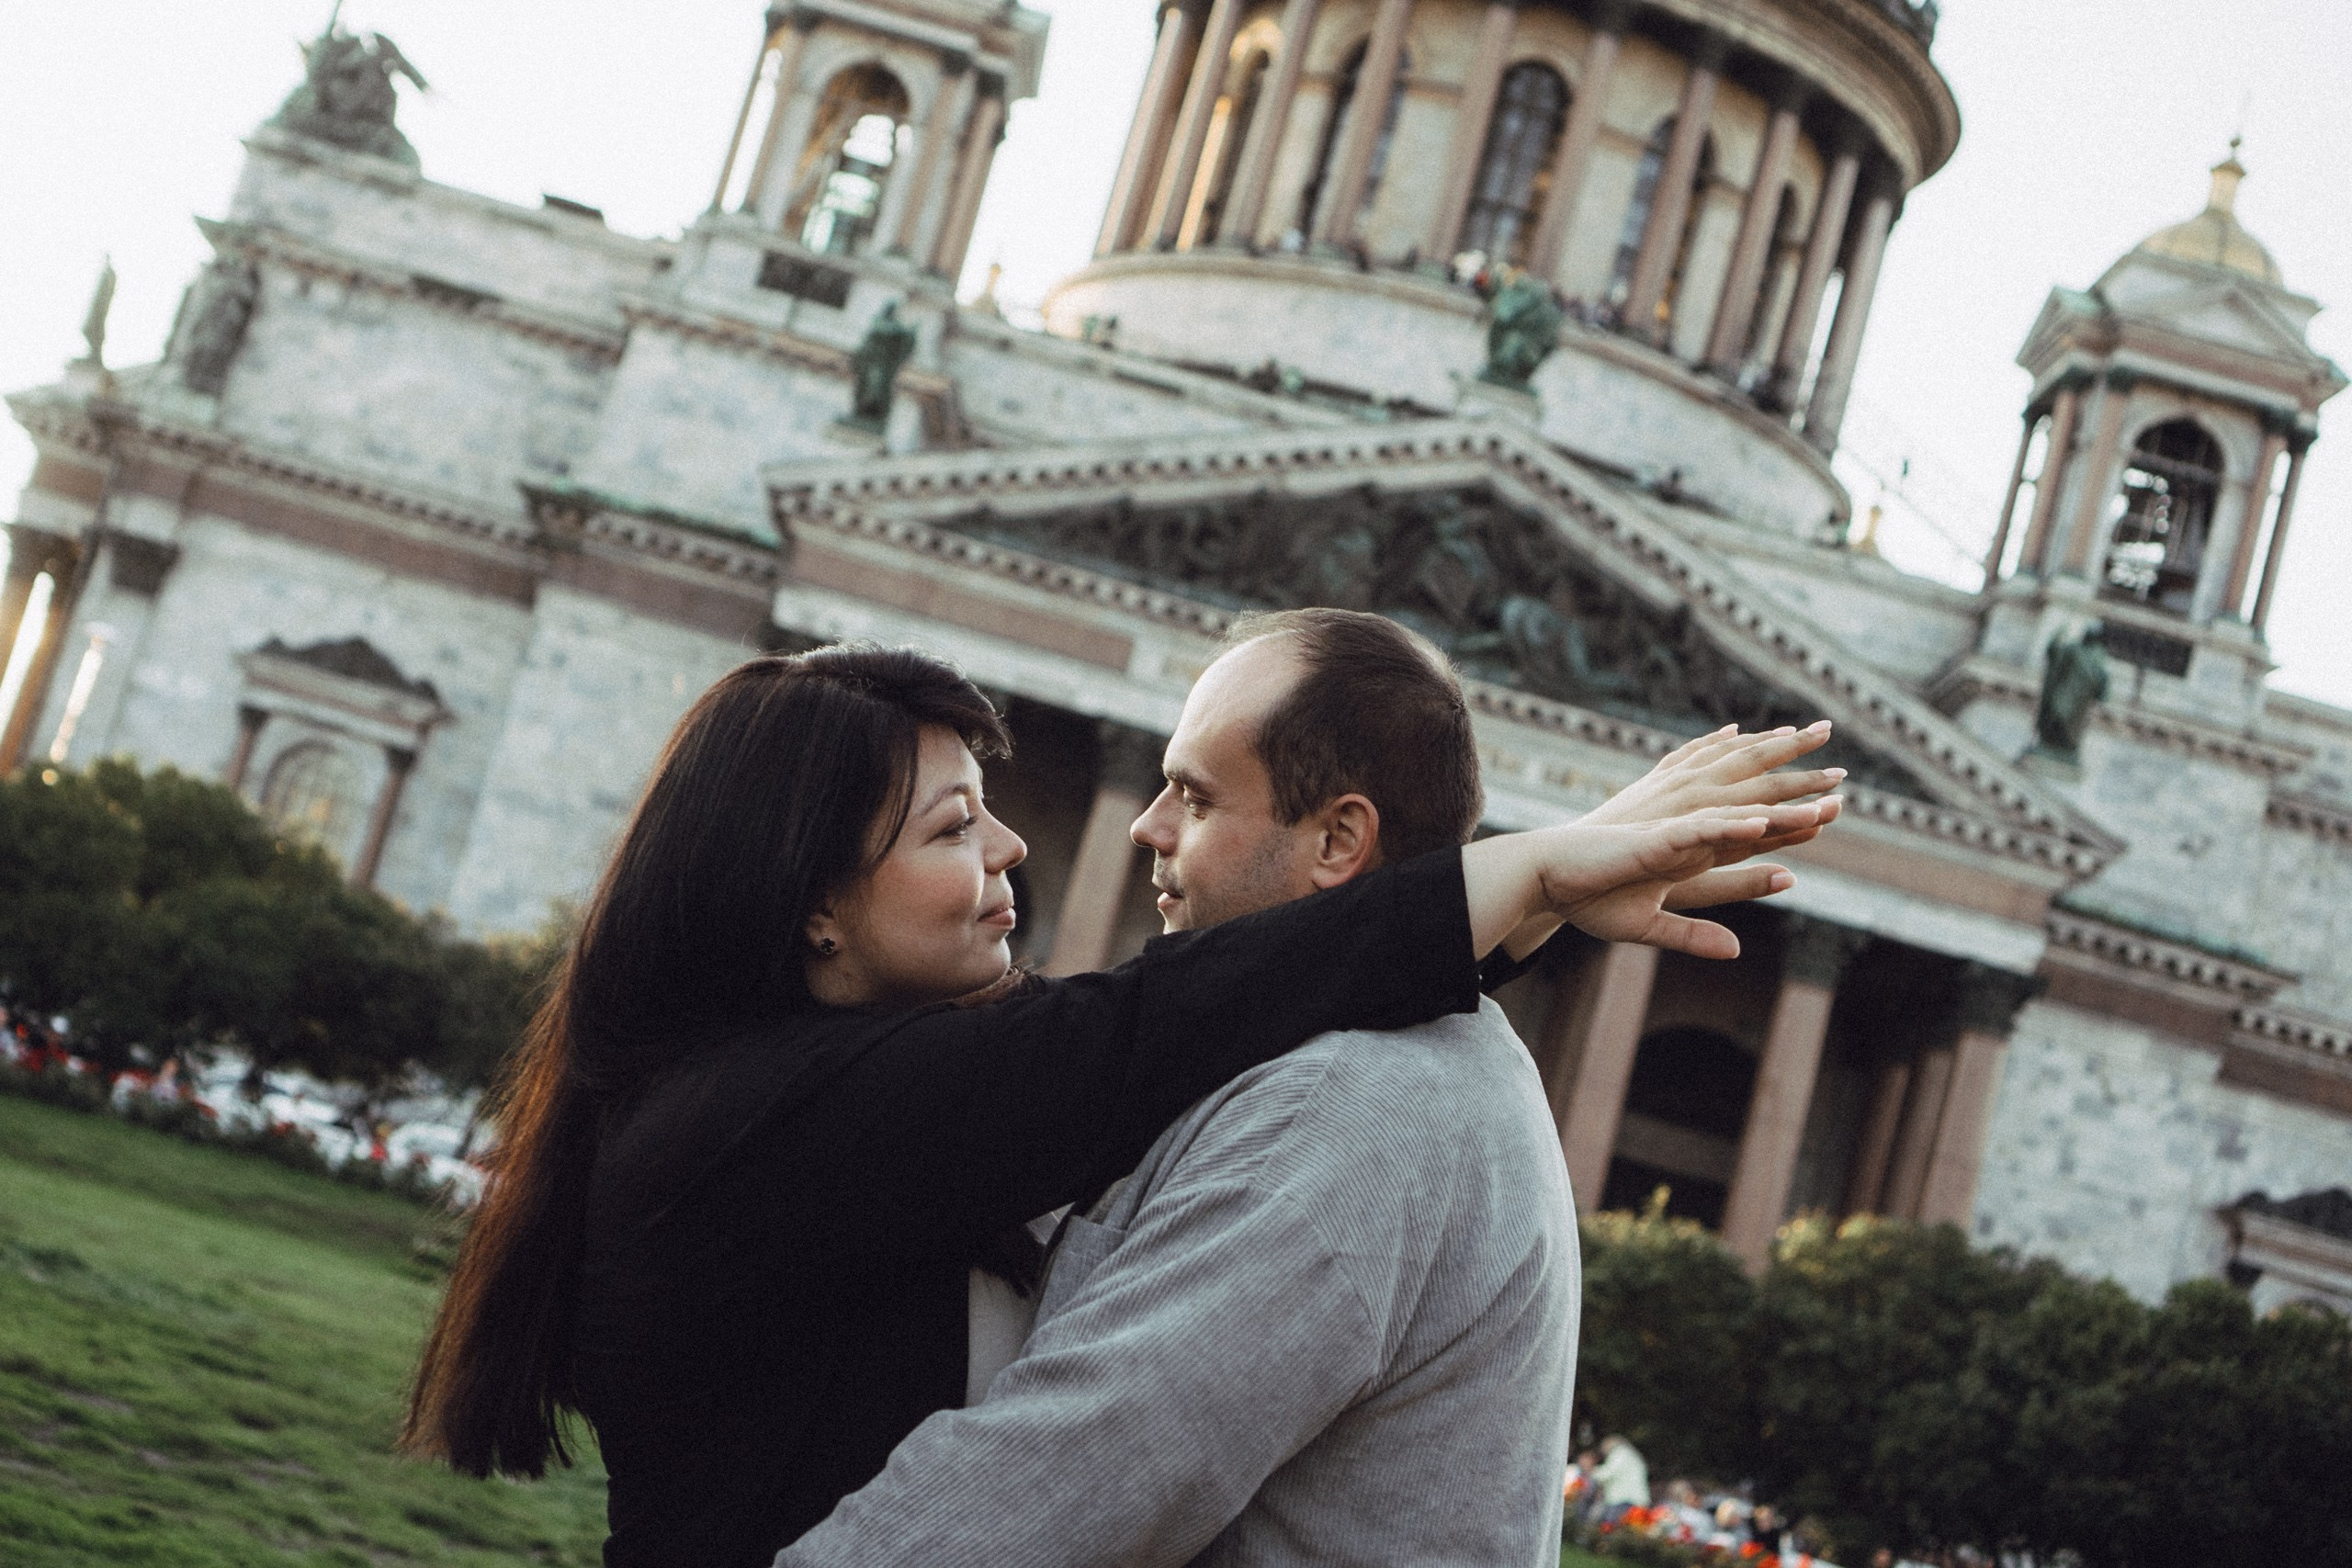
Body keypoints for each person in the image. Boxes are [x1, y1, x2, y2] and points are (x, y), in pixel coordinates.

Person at [400, 640, 1831, 1568]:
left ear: (1342, 840)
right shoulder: (773, 1116)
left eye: (1190, 798)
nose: (1045, 840)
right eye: (956, 827)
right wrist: (1534, 875)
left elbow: (1194, 1026)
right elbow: (1147, 1033)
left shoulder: (1362, 1103)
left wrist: (1532, 899)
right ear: (811, 906)